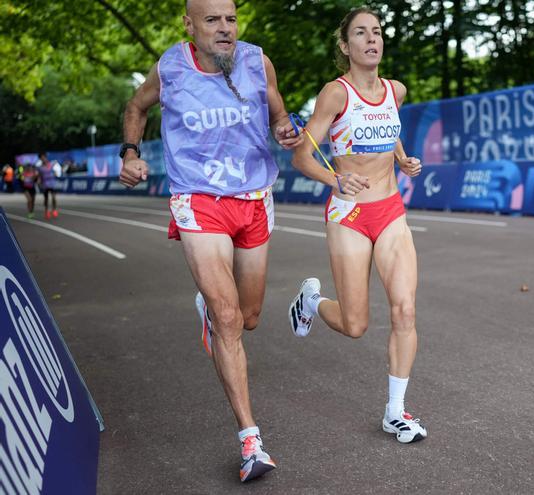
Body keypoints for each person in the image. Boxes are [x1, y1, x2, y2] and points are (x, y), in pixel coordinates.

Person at [117, 0, 303, 482]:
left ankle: (214, 314)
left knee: (249, 317)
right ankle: (250, 440)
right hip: (198, 197)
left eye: (231, 19)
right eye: (213, 20)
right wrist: (131, 153)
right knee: (227, 318)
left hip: (253, 196)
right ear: (190, 24)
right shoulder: (170, 67)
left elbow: (279, 115)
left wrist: (285, 130)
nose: (225, 29)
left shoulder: (257, 61)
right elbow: (135, 106)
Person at [288, 6, 426, 444]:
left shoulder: (395, 90)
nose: (372, 39)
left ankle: (395, 413)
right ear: (345, 47)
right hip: (348, 215)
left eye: (378, 32)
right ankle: (311, 301)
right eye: (361, 33)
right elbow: (302, 156)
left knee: (404, 309)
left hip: (389, 211)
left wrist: (402, 158)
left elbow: (391, 126)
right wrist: (335, 177)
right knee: (355, 326)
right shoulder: (336, 94)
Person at [37, 152, 59, 219]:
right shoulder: (40, 168)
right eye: (42, 158)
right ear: (40, 159)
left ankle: (54, 210)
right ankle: (46, 211)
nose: (43, 159)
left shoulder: (51, 164)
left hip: (52, 183)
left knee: (53, 197)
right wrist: (39, 181)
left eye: (44, 157)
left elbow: (55, 171)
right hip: (45, 184)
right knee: (46, 199)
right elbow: (39, 176)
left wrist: (55, 173)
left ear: (46, 157)